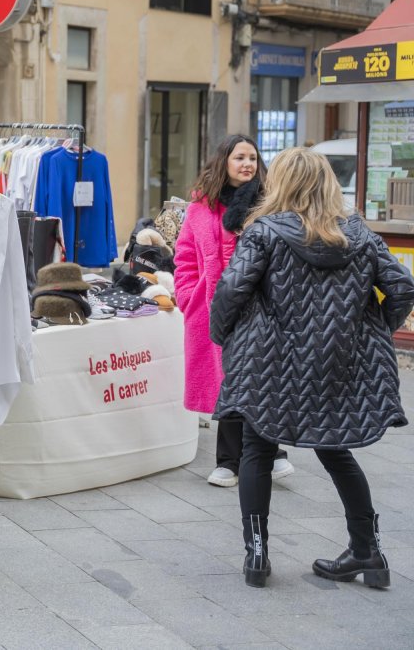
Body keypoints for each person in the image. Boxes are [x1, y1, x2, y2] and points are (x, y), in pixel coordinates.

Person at [210, 147, 414, 588]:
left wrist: (223, 334)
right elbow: (402, 287)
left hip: (271, 361)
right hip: (337, 361)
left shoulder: (264, 232)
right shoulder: (358, 234)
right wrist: (372, 328)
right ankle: (368, 552)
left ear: (281, 182)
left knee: (256, 451)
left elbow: (231, 289)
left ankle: (257, 556)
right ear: (326, 183)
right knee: (337, 451)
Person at [174, 135, 294, 487]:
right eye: (240, 157)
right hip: (214, 307)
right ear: (224, 162)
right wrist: (187, 295)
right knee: (226, 381)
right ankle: (228, 461)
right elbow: (184, 257)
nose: (247, 164)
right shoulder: (200, 208)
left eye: (253, 158)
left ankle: (271, 454)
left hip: (262, 306)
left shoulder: (271, 205)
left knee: (261, 379)